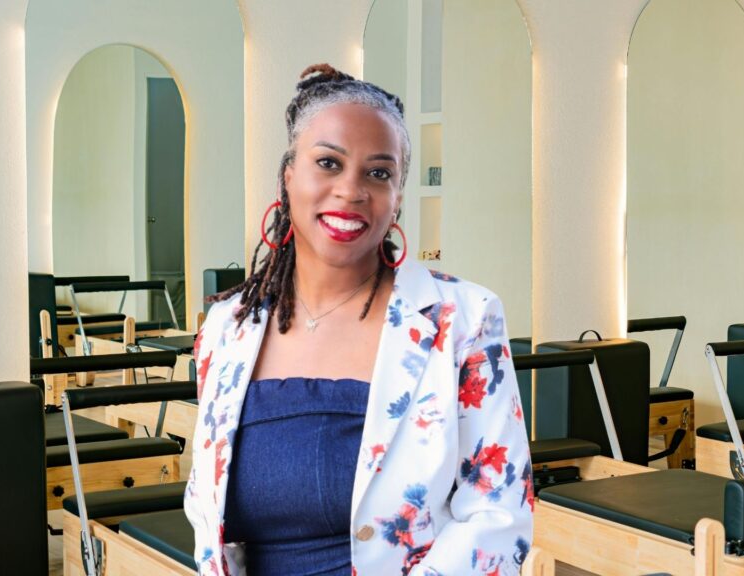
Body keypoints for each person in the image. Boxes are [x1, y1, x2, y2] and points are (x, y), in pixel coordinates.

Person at [184, 63, 533, 575]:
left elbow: (498, 513)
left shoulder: (463, 319)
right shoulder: (225, 329)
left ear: (397, 199)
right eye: (328, 163)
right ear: (288, 176)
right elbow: (206, 506)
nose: (351, 190)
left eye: (378, 173)